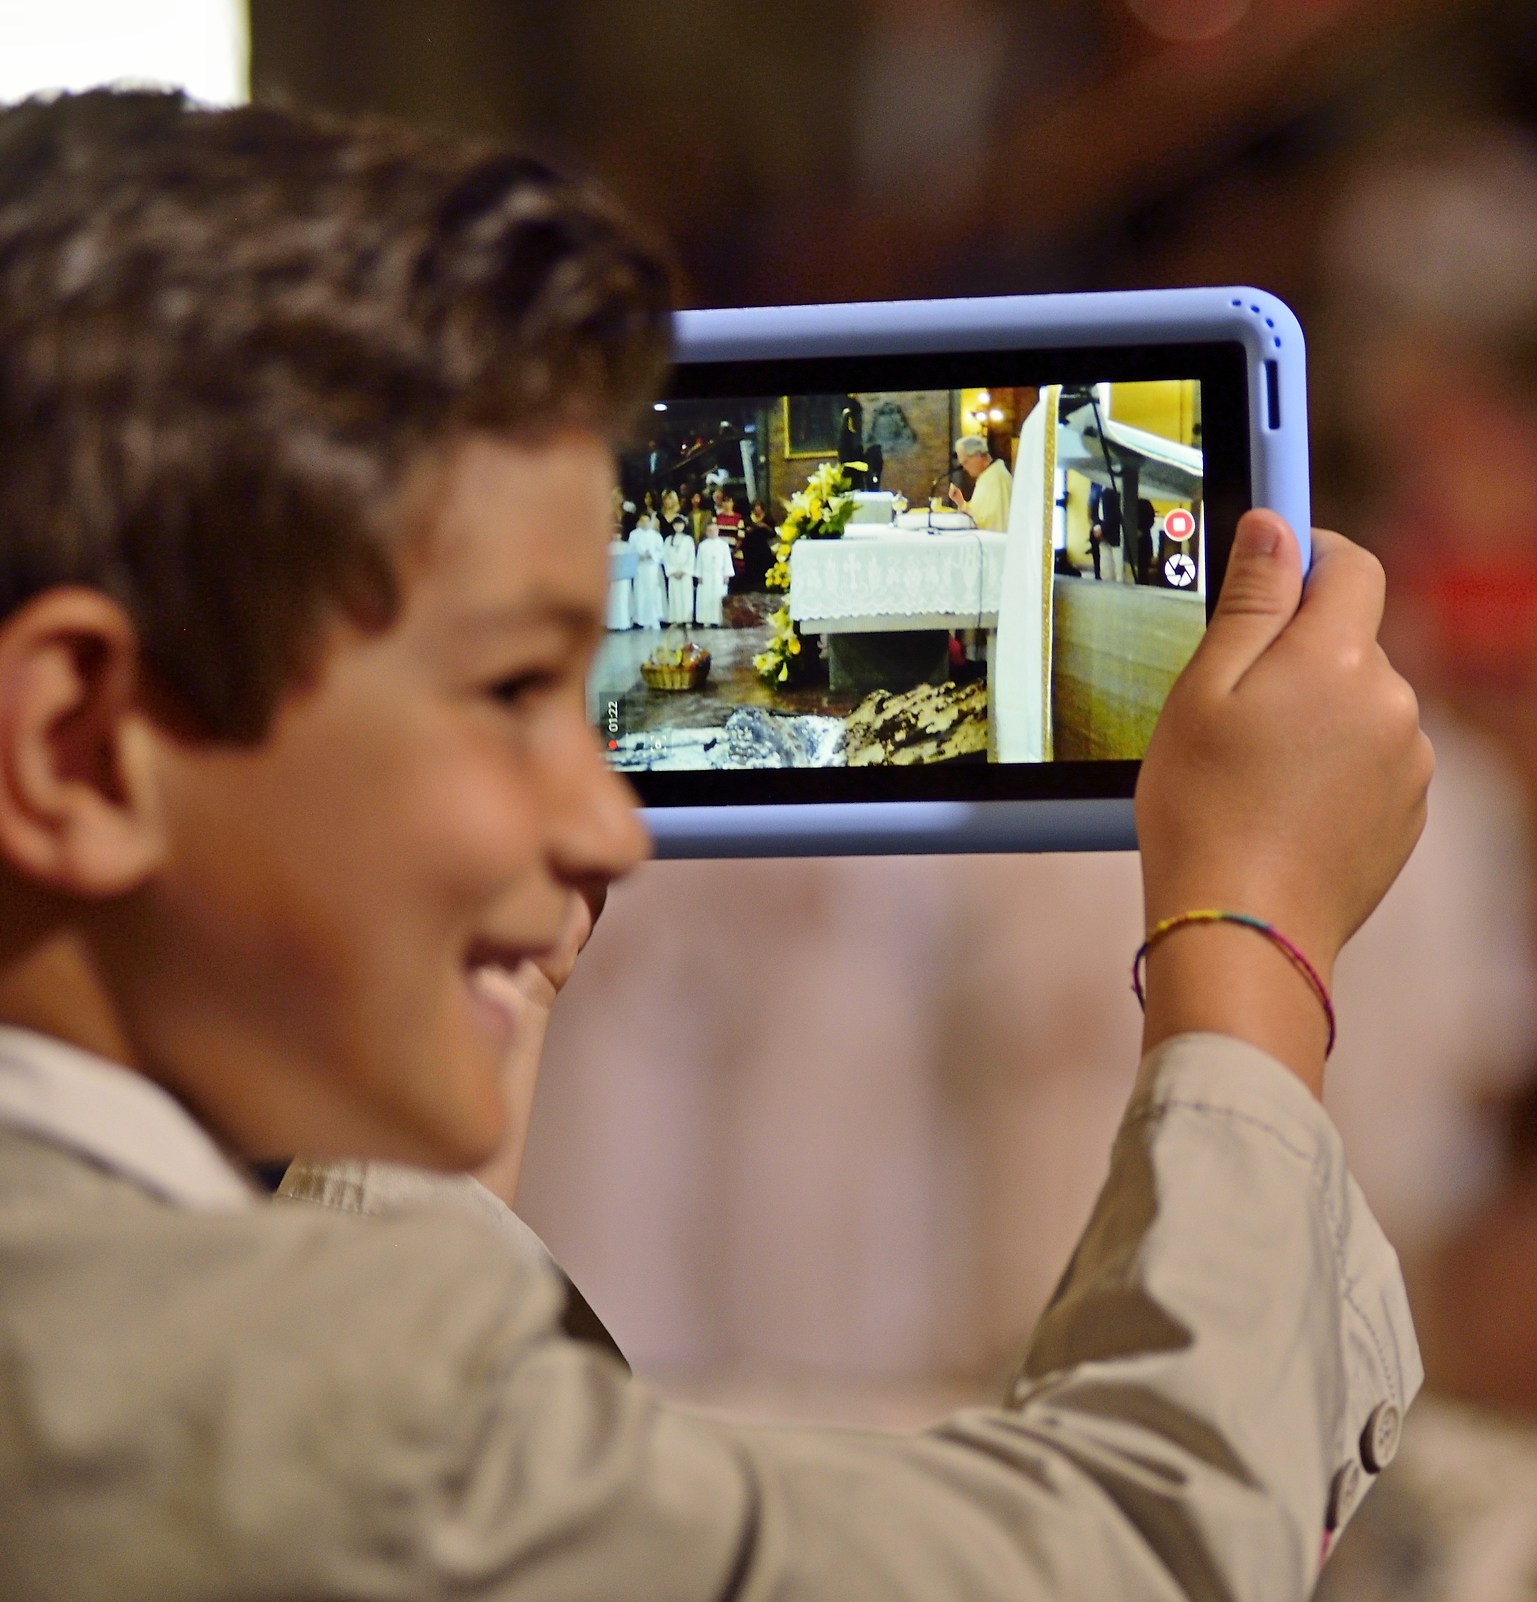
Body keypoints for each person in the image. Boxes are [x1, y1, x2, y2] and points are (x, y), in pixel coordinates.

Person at [0, 90, 1431, 1600]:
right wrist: (1250, 930)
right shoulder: (183, 1386)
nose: (603, 815)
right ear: (78, 745)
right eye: (508, 690)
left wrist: (438, 1033)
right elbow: (1130, 1559)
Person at [948, 432, 1012, 531]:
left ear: (978, 455)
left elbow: (989, 521)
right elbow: (978, 514)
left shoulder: (996, 479)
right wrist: (961, 502)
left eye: (965, 462)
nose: (964, 468)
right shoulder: (988, 476)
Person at [628, 510, 667, 629]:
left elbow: (661, 552)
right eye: (642, 521)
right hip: (639, 567)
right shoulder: (634, 534)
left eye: (647, 521)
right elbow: (630, 550)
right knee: (640, 592)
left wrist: (652, 555)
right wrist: (638, 556)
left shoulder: (656, 535)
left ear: (651, 522)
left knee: (653, 592)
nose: (645, 523)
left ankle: (653, 618)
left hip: (652, 568)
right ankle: (641, 619)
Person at [694, 524, 735, 626]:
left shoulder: (724, 545)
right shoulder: (702, 545)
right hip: (706, 575)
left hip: (719, 575)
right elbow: (699, 561)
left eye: (714, 530)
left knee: (718, 597)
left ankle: (719, 620)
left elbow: (727, 561)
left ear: (717, 531)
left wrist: (727, 575)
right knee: (705, 597)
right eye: (709, 530)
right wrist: (699, 575)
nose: (712, 532)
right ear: (707, 532)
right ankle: (706, 620)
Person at [662, 516, 698, 626]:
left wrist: (684, 570)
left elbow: (691, 557)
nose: (678, 527)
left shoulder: (688, 540)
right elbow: (665, 557)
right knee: (674, 596)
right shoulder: (668, 540)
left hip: (685, 573)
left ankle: (687, 619)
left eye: (680, 524)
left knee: (686, 596)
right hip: (673, 573)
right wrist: (672, 571)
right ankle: (675, 619)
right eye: (676, 524)